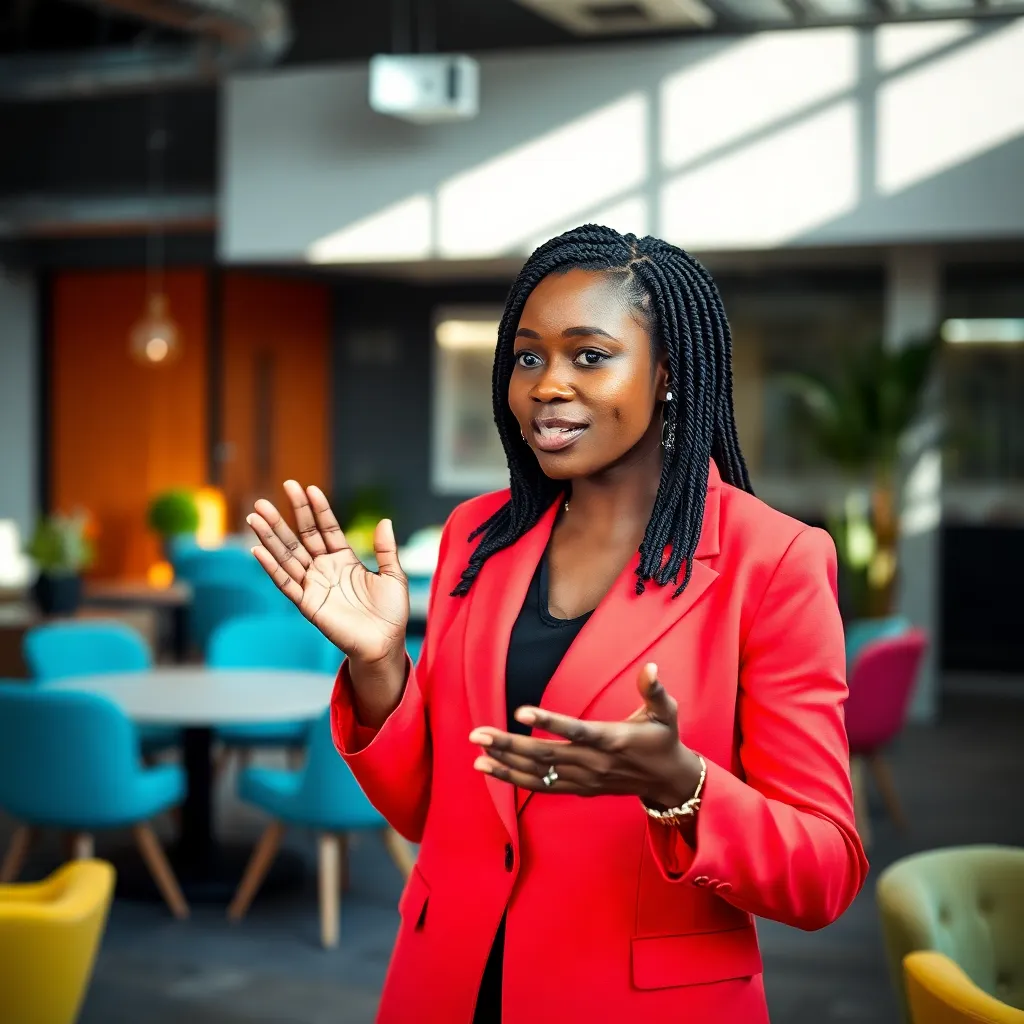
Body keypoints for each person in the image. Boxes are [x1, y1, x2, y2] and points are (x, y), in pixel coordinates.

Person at [247, 224, 869, 1023]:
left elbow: (824, 874)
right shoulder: (481, 537)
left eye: (590, 354)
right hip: (446, 985)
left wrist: (682, 788)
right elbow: (433, 814)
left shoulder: (772, 560)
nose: (546, 385)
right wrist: (380, 669)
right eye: (529, 357)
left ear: (669, 373)